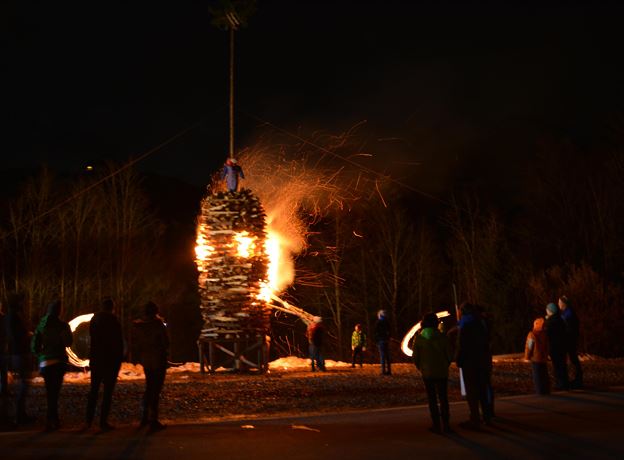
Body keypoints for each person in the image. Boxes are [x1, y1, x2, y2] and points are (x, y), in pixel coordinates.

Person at [31, 300, 73, 431]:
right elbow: (68, 343)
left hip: (45, 364)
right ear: (59, 311)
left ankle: (52, 420)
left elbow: (34, 346)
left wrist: (41, 356)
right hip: (58, 362)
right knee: (54, 393)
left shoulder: (41, 326)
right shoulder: (63, 326)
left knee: (50, 392)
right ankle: (52, 420)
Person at [85, 298, 124, 431]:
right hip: (110, 361)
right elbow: (118, 343)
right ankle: (103, 422)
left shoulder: (94, 320)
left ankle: (88, 421)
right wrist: (118, 360)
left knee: (94, 391)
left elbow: (93, 339)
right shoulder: (114, 321)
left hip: (96, 360)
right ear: (112, 308)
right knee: (107, 393)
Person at [413, 313, 453, 434]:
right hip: (441, 372)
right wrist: (445, 364)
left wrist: (421, 367)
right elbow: (450, 355)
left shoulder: (419, 339)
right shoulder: (442, 337)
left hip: (427, 373)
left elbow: (416, 357)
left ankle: (436, 424)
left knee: (432, 399)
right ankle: (446, 424)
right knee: (443, 398)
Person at [455, 302, 492, 430]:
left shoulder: (465, 325)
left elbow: (463, 346)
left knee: (472, 392)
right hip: (482, 361)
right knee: (482, 390)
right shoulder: (481, 323)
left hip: (470, 363)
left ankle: (475, 419)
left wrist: (458, 359)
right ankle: (487, 416)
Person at [133, 301, 169, 432]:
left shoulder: (140, 326)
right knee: (156, 389)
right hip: (158, 360)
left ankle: (144, 417)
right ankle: (153, 419)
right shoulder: (158, 325)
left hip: (146, 360)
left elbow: (137, 344)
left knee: (149, 387)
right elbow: (166, 342)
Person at [5, 293, 35, 426]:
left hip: (18, 353)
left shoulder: (11, 316)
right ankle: (19, 416)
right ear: (17, 303)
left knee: (23, 384)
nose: (24, 304)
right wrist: (27, 335)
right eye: (22, 302)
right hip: (19, 353)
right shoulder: (13, 317)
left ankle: (21, 414)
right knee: (23, 385)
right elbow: (15, 335)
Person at [558, 295, 583, 388]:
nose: (558, 304)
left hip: (570, 340)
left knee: (573, 359)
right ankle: (576, 378)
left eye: (559, 302)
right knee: (572, 359)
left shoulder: (568, 313)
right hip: (570, 339)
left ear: (564, 303)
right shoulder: (567, 313)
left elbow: (567, 326)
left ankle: (578, 379)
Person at [545, 302, 569, 390]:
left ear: (550, 311)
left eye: (547, 309)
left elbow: (547, 334)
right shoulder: (561, 319)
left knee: (557, 366)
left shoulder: (551, 322)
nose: (546, 311)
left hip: (555, 346)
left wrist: (547, 321)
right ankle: (565, 382)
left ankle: (560, 384)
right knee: (562, 365)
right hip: (562, 346)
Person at [524, 317, 550, 395]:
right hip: (543, 358)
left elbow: (529, 347)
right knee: (544, 375)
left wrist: (527, 357)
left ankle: (539, 391)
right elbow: (547, 346)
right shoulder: (545, 334)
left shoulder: (532, 334)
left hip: (535, 359)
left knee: (537, 376)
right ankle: (546, 390)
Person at [374, 310, 392, 375]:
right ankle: (389, 371)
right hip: (386, 340)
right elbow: (390, 331)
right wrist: (389, 338)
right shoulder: (387, 322)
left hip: (381, 340)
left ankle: (383, 371)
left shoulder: (378, 322)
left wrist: (376, 340)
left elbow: (376, 332)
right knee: (387, 356)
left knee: (382, 356)